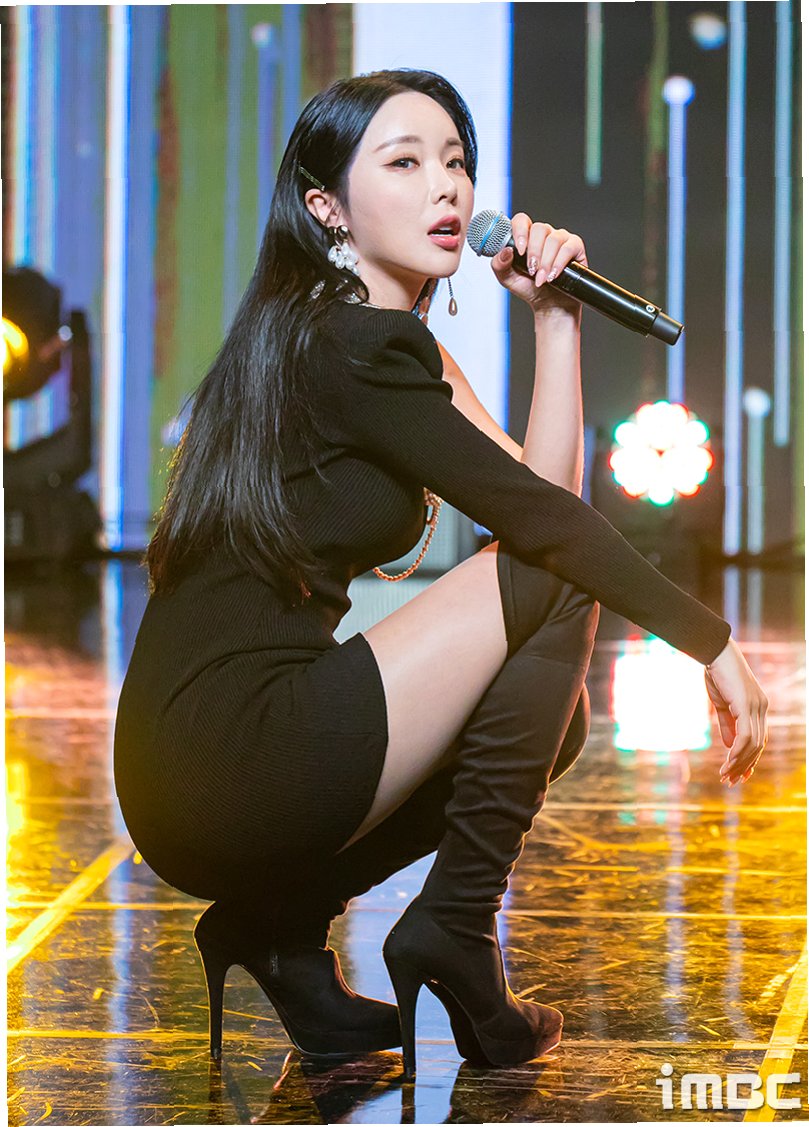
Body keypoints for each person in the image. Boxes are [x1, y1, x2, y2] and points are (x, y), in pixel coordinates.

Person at [113, 68, 769, 1079]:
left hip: (191, 758)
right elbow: (547, 538)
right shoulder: (348, 344)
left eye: (455, 162)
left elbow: (537, 499)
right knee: (551, 580)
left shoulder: (349, 333)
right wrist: (710, 642)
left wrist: (554, 320)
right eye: (404, 162)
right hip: (227, 751)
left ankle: (278, 928)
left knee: (549, 717)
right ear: (326, 206)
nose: (445, 188)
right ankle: (453, 928)